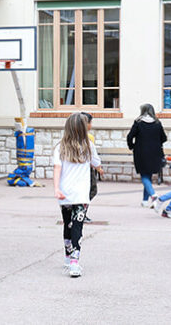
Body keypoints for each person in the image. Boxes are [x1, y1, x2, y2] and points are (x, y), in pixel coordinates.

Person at [53, 113, 100, 278]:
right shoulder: (89, 146)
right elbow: (96, 163)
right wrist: (99, 167)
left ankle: (67, 257)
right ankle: (74, 262)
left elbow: (57, 169)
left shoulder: (60, 147)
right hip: (81, 194)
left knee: (67, 224)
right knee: (77, 226)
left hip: (64, 194)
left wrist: (56, 188)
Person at [126, 104, 167, 208]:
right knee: (148, 176)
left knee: (144, 176)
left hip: (141, 152)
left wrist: (132, 146)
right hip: (155, 152)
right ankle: (144, 201)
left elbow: (130, 136)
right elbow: (164, 138)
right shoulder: (157, 123)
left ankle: (153, 195)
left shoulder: (138, 123)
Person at [80, 112, 102, 223]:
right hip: (86, 169)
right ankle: (81, 212)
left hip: (77, 170)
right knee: (91, 190)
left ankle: (80, 212)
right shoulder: (87, 140)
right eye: (90, 122)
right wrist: (99, 168)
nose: (91, 125)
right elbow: (93, 157)